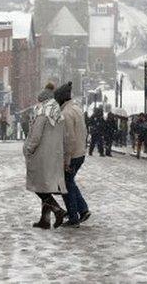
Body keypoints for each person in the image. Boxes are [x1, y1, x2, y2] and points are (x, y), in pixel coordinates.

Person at [24, 82, 69, 229]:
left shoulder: (42, 113)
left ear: (42, 100)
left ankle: (58, 210)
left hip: (41, 156)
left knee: (39, 187)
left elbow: (36, 136)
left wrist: (28, 149)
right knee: (45, 188)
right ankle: (45, 219)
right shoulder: (58, 113)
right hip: (54, 156)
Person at [59, 84, 90, 227]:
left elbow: (69, 139)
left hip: (72, 155)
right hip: (80, 153)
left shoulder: (65, 114)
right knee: (69, 182)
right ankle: (82, 210)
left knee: (65, 184)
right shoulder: (76, 109)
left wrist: (66, 161)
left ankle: (73, 217)